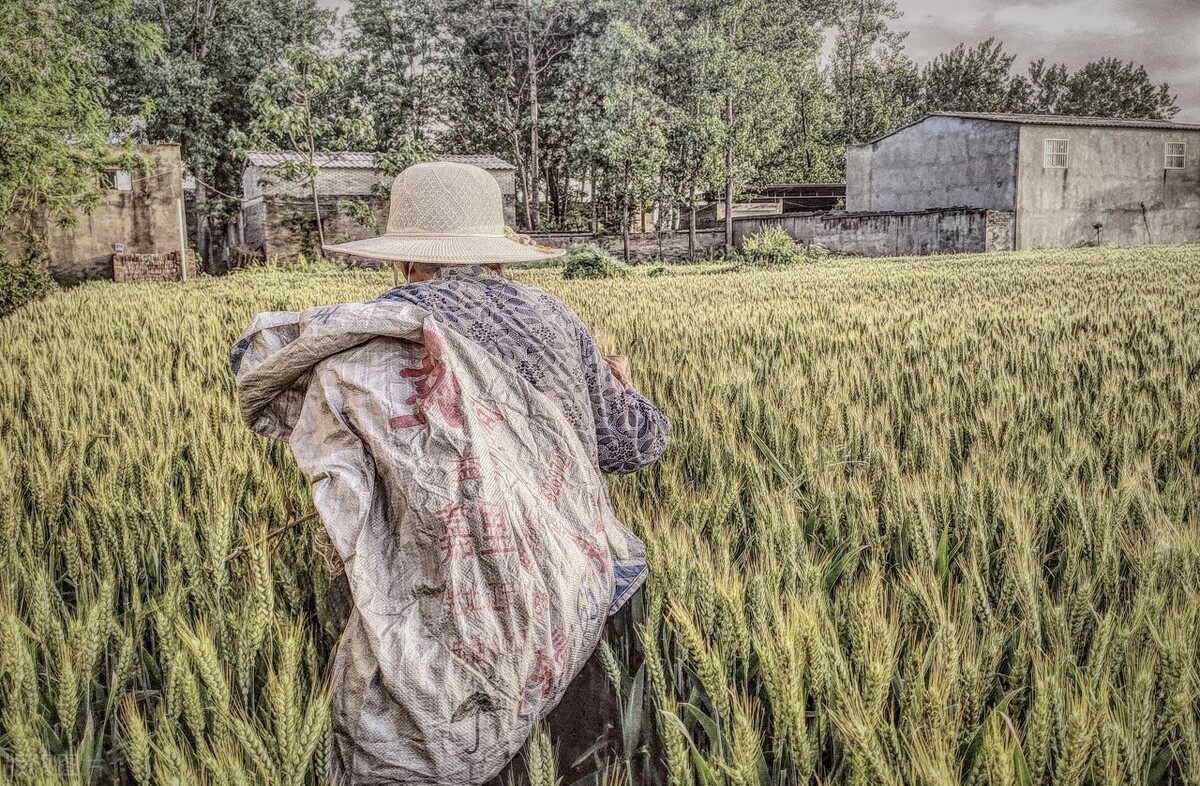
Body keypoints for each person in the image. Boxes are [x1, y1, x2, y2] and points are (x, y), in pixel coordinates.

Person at [321, 160, 672, 784]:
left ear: (404, 260)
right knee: (580, 765)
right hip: (575, 601)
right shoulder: (554, 320)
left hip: (442, 621)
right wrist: (621, 385)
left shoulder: (364, 336)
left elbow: (349, 493)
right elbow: (638, 443)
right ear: (499, 256)